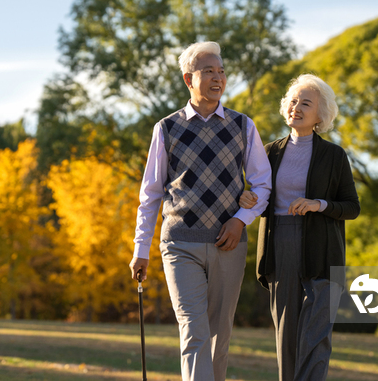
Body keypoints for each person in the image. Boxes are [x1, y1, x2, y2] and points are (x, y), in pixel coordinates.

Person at [129, 41, 271, 381]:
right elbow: (150, 194)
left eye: (221, 71)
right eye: (208, 71)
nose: (217, 77)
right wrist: (141, 250)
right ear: (187, 79)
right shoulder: (167, 128)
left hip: (229, 244)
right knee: (194, 331)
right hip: (179, 244)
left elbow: (264, 185)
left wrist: (241, 221)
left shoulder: (242, 126)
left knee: (219, 339)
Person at [239, 74, 360, 381]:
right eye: (292, 101)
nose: (296, 107)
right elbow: (261, 200)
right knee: (287, 336)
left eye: (306, 103)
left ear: (321, 114)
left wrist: (318, 204)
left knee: (315, 337)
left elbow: (352, 206)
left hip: (322, 252)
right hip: (279, 247)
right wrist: (247, 197)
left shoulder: (334, 156)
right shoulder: (269, 152)